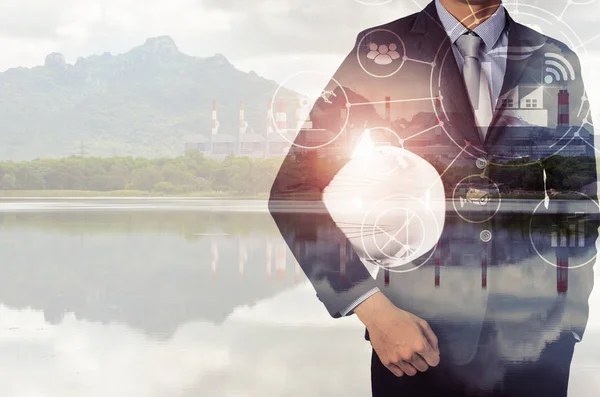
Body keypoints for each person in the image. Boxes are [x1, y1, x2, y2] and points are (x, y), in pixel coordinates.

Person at [269, 1, 599, 396]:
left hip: (536, 342)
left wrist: (570, 318)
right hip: (413, 339)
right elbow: (295, 190)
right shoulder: (381, 50)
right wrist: (371, 309)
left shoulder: (554, 58)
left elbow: (579, 197)